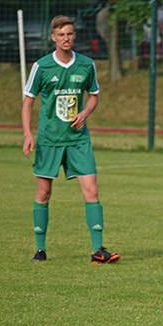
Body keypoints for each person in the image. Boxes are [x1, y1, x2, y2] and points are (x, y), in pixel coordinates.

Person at [22, 15, 120, 264]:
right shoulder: (41, 66)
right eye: (61, 34)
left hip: (78, 140)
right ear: (53, 37)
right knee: (44, 193)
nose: (66, 38)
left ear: (74, 36)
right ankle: (40, 250)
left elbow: (94, 96)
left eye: (70, 34)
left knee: (92, 190)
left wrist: (86, 113)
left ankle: (98, 250)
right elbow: (28, 102)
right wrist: (27, 134)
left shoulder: (86, 64)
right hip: (49, 140)